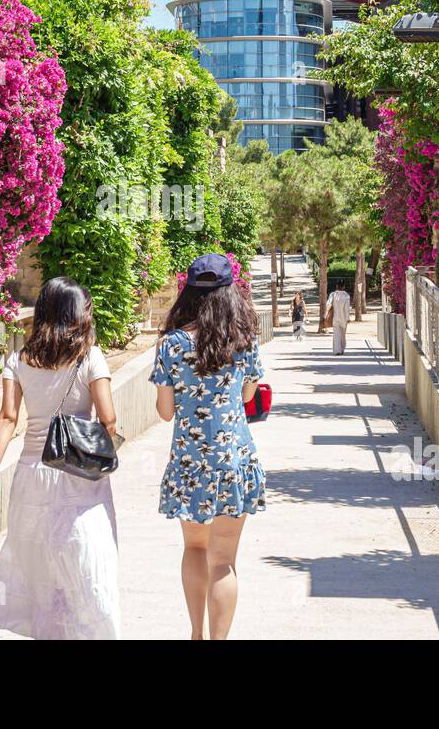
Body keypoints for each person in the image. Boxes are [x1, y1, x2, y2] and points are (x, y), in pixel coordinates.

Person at [0, 276, 120, 640]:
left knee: (41, 568)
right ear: (77, 315)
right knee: (86, 565)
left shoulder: (18, 359)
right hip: (78, 472)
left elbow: (8, 418)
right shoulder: (90, 356)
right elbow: (108, 419)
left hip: (32, 472)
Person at [152, 252, 266, 640]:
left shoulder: (171, 345)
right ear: (229, 293)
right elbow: (249, 397)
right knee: (224, 561)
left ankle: (196, 635)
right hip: (235, 461)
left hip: (189, 461)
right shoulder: (244, 341)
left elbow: (165, 413)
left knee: (195, 550)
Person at [327, 281, 352, 355]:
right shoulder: (346, 295)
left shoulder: (333, 294)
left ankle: (337, 350)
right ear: (344, 286)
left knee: (336, 334)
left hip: (335, 317)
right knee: (343, 334)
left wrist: (326, 314)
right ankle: (342, 348)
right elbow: (347, 308)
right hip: (343, 318)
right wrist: (348, 318)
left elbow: (328, 304)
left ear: (337, 286)